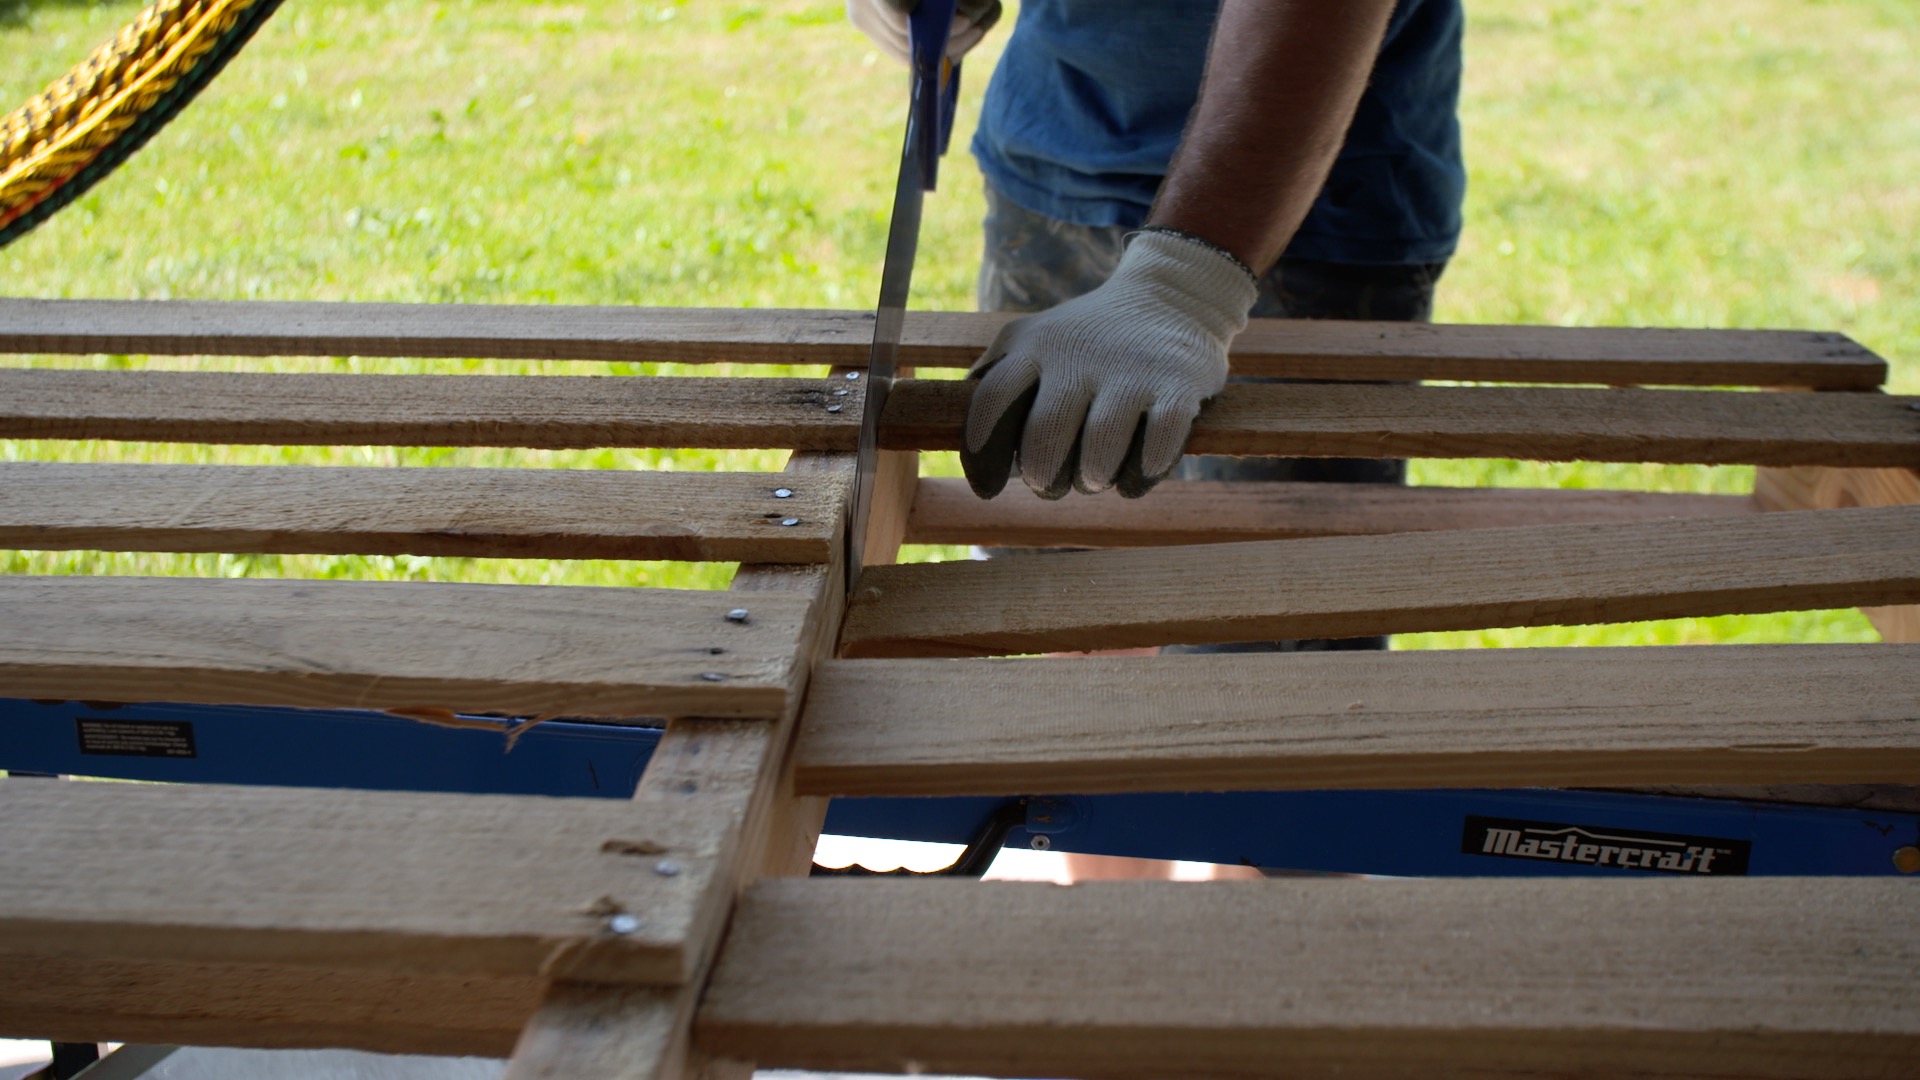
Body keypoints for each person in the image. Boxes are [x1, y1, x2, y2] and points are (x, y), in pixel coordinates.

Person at [849, 0, 1464, 507]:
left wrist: (1189, 285)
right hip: (1054, 144)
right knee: (1048, 595)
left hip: (1304, 204)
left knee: (1264, 615)